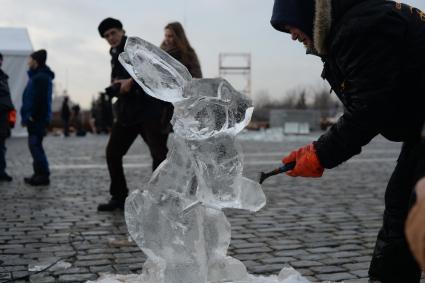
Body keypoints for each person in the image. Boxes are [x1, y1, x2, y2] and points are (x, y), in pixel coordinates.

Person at [270, 1, 425, 282]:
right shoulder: (355, 23)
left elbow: (370, 108)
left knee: (410, 206)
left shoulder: (360, 28)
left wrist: (319, 154)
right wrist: (315, 150)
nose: (291, 34)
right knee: (403, 205)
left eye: (289, 24)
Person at [97, 17, 172, 211]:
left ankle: (162, 197)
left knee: (160, 156)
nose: (111, 38)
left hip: (149, 111)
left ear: (122, 31)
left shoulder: (135, 47)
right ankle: (119, 196)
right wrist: (118, 85)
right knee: (113, 153)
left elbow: (154, 72)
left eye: (113, 33)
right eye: (106, 36)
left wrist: (131, 82)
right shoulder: (114, 53)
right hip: (127, 113)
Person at [20, 49, 54, 186]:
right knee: (34, 146)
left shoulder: (41, 77)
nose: (28, 62)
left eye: (30, 60)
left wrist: (32, 117)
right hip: (35, 118)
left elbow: (40, 100)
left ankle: (43, 175)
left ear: (36, 61)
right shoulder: (37, 76)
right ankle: (38, 173)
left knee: (35, 146)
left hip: (36, 119)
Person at [0, 52, 15, 182]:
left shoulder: (4, 77)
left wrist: (11, 120)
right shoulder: (3, 78)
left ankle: (1, 171)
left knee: (2, 147)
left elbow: (8, 100)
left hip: (3, 118)